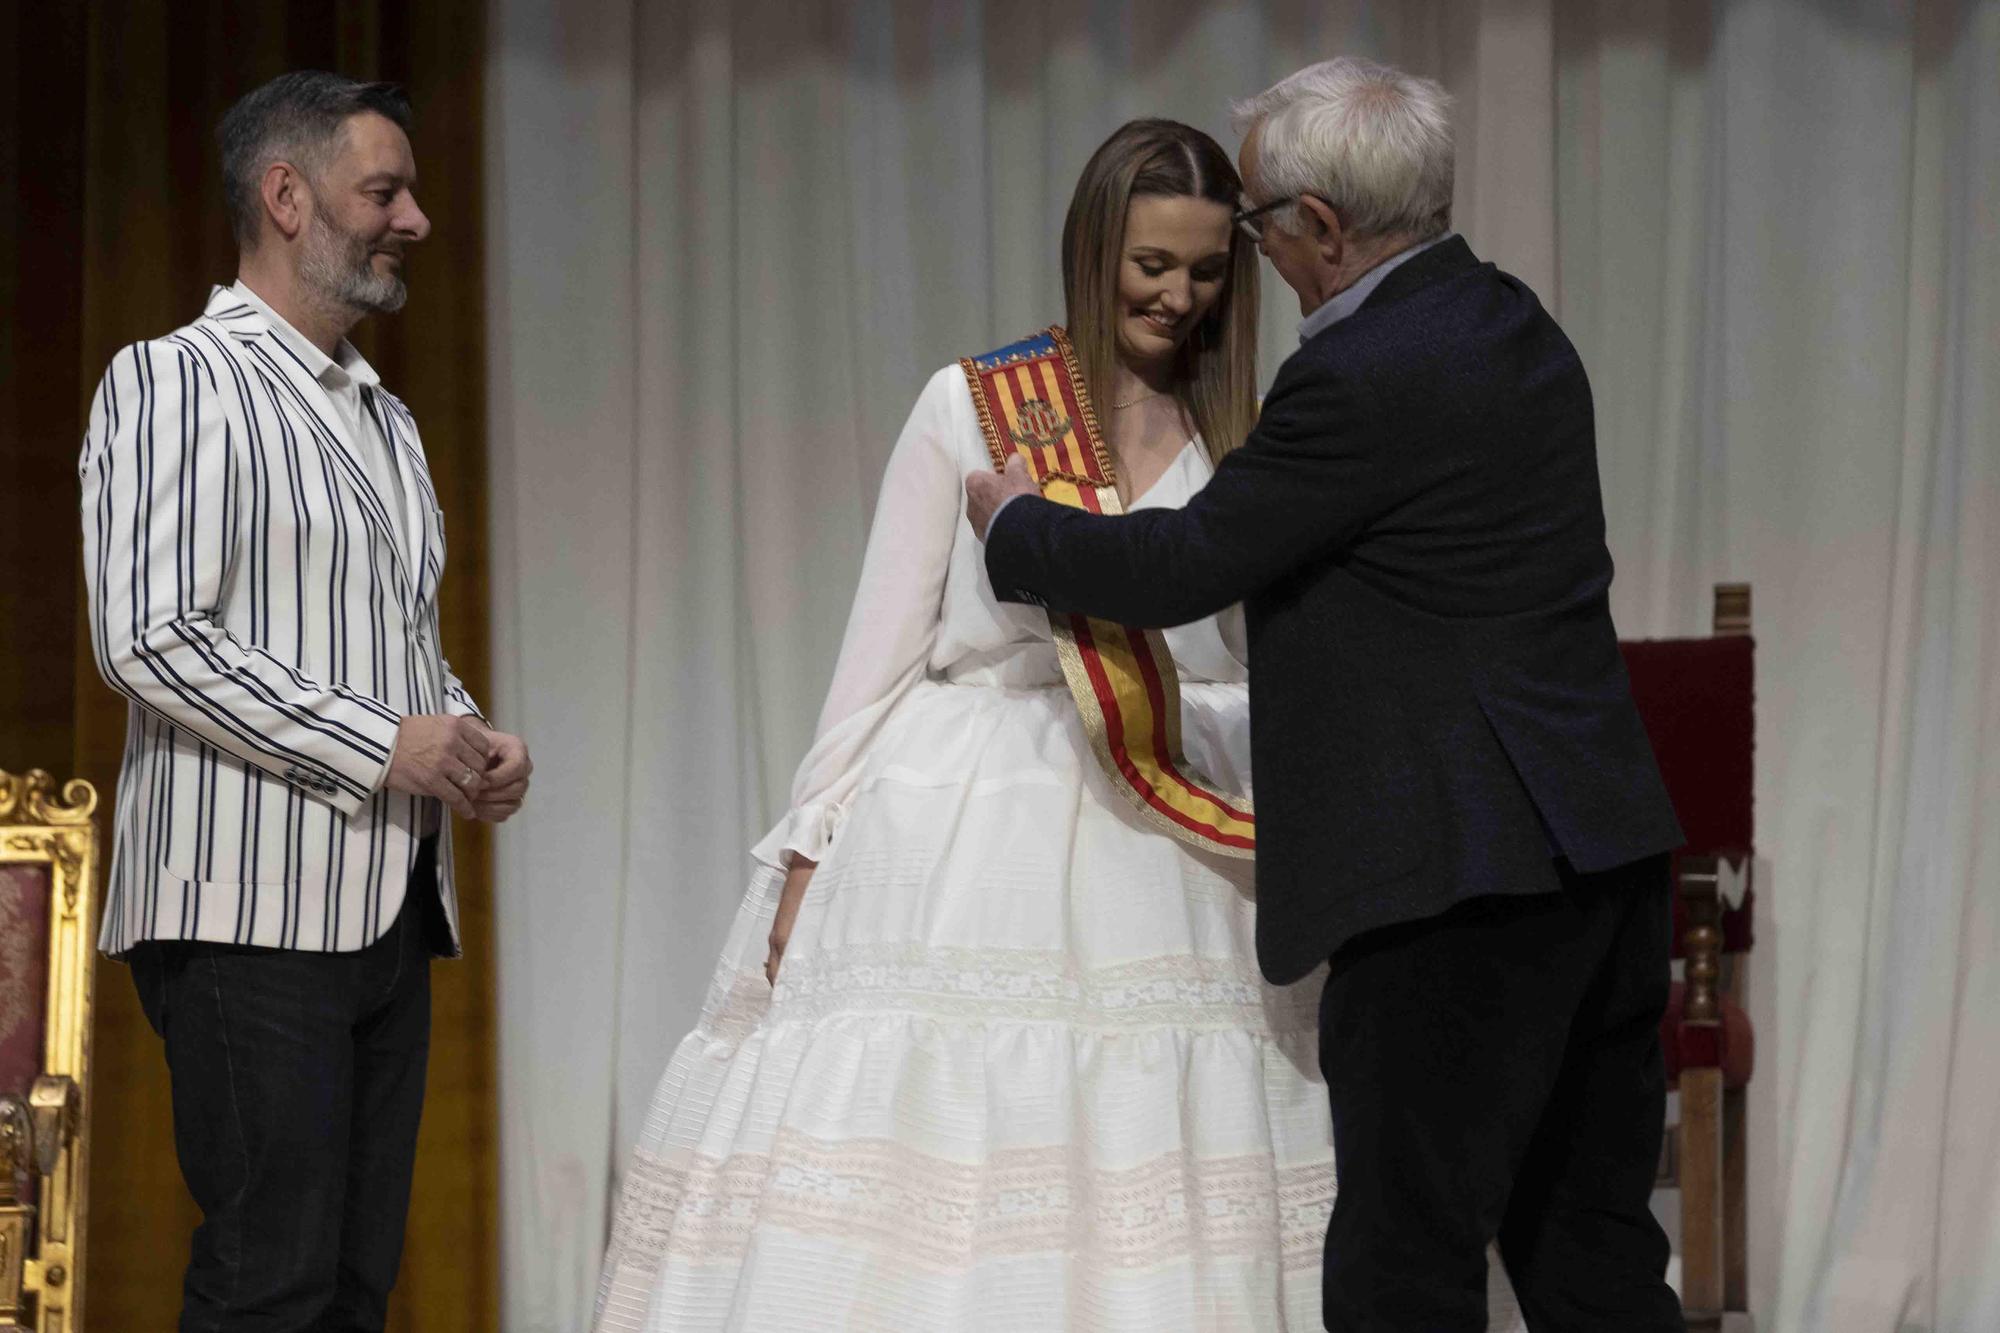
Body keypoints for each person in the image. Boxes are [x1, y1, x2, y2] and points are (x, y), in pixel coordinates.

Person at [594, 118, 1523, 1332]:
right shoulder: (973, 404)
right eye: (1151, 265)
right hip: (974, 813)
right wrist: (805, 847)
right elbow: (874, 658)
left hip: (1186, 823)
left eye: (1202, 269)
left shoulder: (1254, 423)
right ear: (1092, 250)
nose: (1178, 296)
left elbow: (1266, 651)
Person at [968, 59, 1687, 1331]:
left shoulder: (1363, 373)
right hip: (1603, 860)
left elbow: (1184, 560)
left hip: (1455, 882)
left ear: (1317, 228)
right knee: (1592, 1261)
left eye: (1252, 227)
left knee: (1402, 1268)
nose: (1249, 260)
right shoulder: (1515, 323)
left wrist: (1017, 521)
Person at [78, 71, 531, 1330]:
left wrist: (465, 736)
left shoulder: (383, 416)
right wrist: (392, 742)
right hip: (242, 908)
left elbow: (387, 636)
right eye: (383, 190)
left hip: (385, 908)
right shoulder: (175, 380)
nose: (415, 220)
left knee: (349, 1288)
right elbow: (149, 637)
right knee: (268, 1281)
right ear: (287, 196)